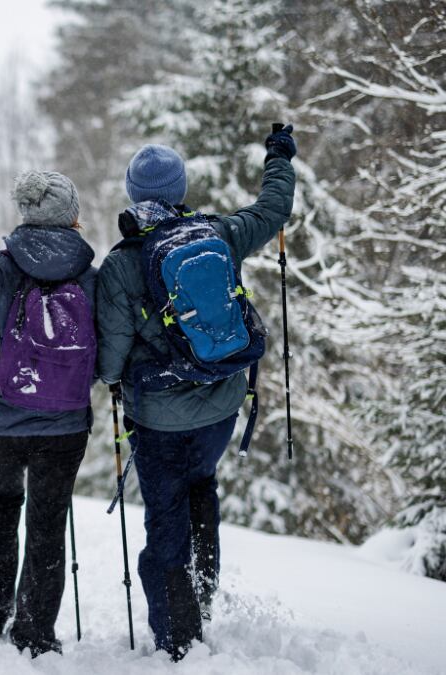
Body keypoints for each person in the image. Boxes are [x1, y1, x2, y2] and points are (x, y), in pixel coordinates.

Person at [95, 127, 297, 660]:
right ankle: (201, 597)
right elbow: (274, 209)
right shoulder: (219, 235)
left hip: (158, 419)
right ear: (181, 188)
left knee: (165, 514)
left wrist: (114, 376)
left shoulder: (121, 264)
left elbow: (112, 358)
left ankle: (178, 639)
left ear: (134, 196)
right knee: (201, 487)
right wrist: (278, 158)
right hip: (221, 407)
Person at [0, 170, 98, 657]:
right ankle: (35, 632)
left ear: (26, 212)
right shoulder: (90, 275)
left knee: (3, 501)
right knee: (49, 519)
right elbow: (104, 354)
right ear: (72, 216)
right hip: (65, 423)